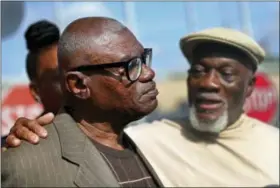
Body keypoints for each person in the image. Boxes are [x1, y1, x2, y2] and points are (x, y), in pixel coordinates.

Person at [4, 27, 279, 187]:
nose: (208, 83)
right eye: (198, 70)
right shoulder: (149, 139)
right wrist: (23, 137)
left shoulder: (274, 147)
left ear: (251, 86)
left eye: (226, 74)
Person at [2, 17, 162, 187]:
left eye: (142, 59)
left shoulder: (153, 145)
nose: (148, 73)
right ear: (78, 84)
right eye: (129, 66)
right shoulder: (23, 162)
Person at [1, 20, 61, 148]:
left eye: (76, 71)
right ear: (36, 91)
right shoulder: (13, 146)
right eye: (59, 76)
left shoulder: (109, 128)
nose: (75, 83)